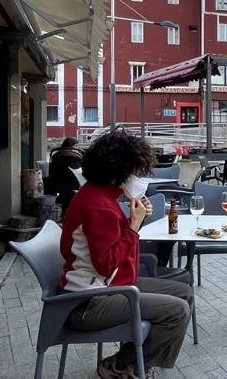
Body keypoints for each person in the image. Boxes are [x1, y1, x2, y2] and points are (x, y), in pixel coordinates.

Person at [60, 129, 191, 378]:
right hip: (88, 302)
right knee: (178, 311)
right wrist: (133, 226)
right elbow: (106, 265)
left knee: (184, 292)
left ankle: (142, 363)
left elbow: (113, 248)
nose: (138, 177)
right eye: (135, 171)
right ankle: (121, 365)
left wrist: (135, 222)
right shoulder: (98, 205)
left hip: (104, 287)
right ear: (117, 172)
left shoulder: (100, 196)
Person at [45, 137, 84, 212]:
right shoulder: (75, 158)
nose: (77, 148)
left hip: (56, 185)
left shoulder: (56, 156)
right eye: (76, 146)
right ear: (70, 146)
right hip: (72, 186)